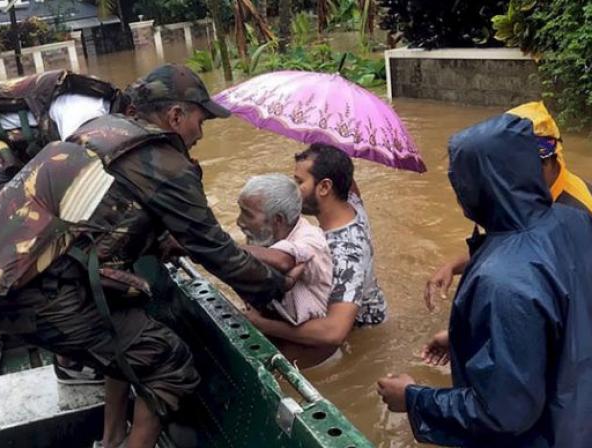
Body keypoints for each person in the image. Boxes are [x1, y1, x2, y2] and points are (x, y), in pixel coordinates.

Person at [0, 64, 288, 448]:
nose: (199, 134)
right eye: (199, 121)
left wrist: (162, 242)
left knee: (131, 328)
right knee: (168, 363)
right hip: (42, 300)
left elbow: (106, 217)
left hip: (0, 286)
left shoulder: (99, 131)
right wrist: (275, 286)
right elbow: (218, 253)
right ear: (176, 115)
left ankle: (110, 441)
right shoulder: (165, 163)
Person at [377, 109, 592, 447]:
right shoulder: (573, 221)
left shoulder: (503, 279)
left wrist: (414, 399)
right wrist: (467, 336)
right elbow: (566, 317)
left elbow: (503, 413)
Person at [421, 101, 592, 367]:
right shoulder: (524, 197)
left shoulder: (574, 214)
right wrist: (453, 265)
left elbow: (565, 312)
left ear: (547, 159)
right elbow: (505, 242)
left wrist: (472, 339)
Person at [243, 144, 387, 368]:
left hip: (360, 331)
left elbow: (334, 332)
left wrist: (261, 324)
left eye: (299, 183)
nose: (293, 190)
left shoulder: (345, 251)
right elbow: (344, 175)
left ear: (325, 187)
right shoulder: (349, 201)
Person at [0, 70, 123, 204]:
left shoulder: (104, 109)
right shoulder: (87, 110)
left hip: (3, 155)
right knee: (20, 214)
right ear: (131, 110)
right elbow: (76, 161)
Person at [236, 173, 332, 327]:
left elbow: (283, 261)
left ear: (278, 220)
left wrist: (223, 248)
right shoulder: (262, 237)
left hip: (308, 343)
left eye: (247, 214)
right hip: (276, 325)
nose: (239, 222)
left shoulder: (311, 239)